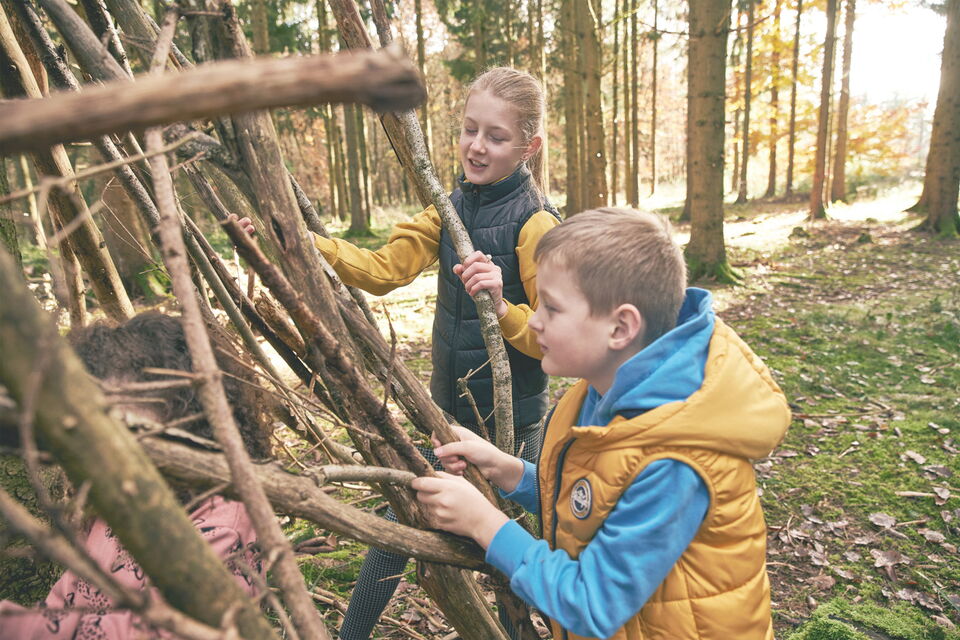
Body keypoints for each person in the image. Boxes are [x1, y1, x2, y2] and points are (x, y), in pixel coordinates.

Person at [412, 208, 792, 639]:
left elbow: (592, 603)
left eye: (552, 308)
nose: (533, 319)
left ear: (620, 327)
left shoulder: (677, 459)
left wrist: (484, 524)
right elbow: (596, 499)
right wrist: (508, 471)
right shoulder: (600, 391)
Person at [318, 67, 561, 639]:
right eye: (469, 129)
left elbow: (551, 339)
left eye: (496, 136)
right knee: (401, 521)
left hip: (514, 422)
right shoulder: (446, 212)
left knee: (512, 553)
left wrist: (502, 307)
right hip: (445, 418)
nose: (477, 146)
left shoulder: (536, 225)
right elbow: (380, 271)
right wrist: (305, 243)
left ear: (530, 147)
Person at [0, 312, 271, 639]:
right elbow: (67, 598)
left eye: (128, 426)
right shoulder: (115, 499)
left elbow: (155, 633)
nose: (107, 445)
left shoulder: (222, 522)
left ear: (189, 420)